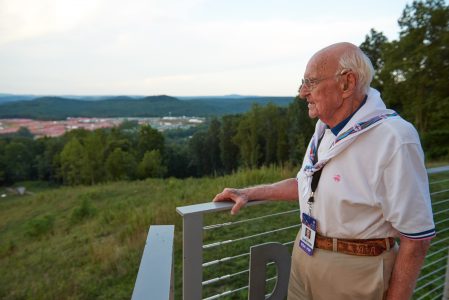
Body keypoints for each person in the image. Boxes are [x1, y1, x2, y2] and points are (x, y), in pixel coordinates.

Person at [213, 42, 435, 300]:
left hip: (354, 272)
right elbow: (308, 185)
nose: (302, 92)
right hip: (304, 256)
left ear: (347, 83)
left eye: (311, 82)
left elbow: (417, 238)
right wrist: (250, 192)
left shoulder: (395, 138)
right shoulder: (325, 130)